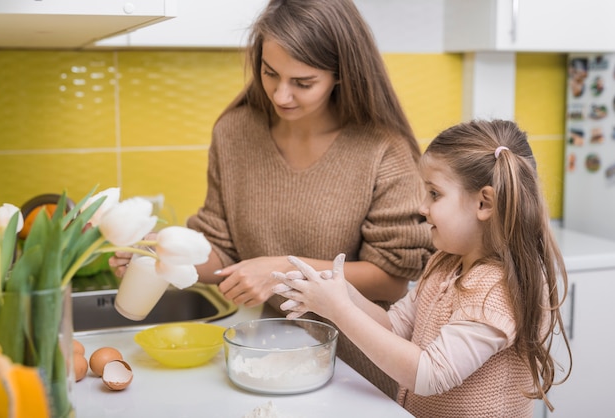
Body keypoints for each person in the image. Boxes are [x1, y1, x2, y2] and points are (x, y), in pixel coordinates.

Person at [110, 0, 434, 398]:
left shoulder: (383, 149)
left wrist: (285, 270)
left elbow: (391, 280)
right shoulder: (234, 132)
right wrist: (161, 255)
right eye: (270, 73)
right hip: (267, 357)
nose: (281, 95)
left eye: (303, 82)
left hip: (359, 373)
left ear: (340, 75)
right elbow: (223, 252)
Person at [273, 120, 572, 417]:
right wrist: (345, 294)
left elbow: (430, 375)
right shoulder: (446, 263)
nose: (422, 207)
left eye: (434, 194)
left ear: (484, 203)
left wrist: (340, 310)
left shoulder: (497, 290)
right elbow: (395, 327)